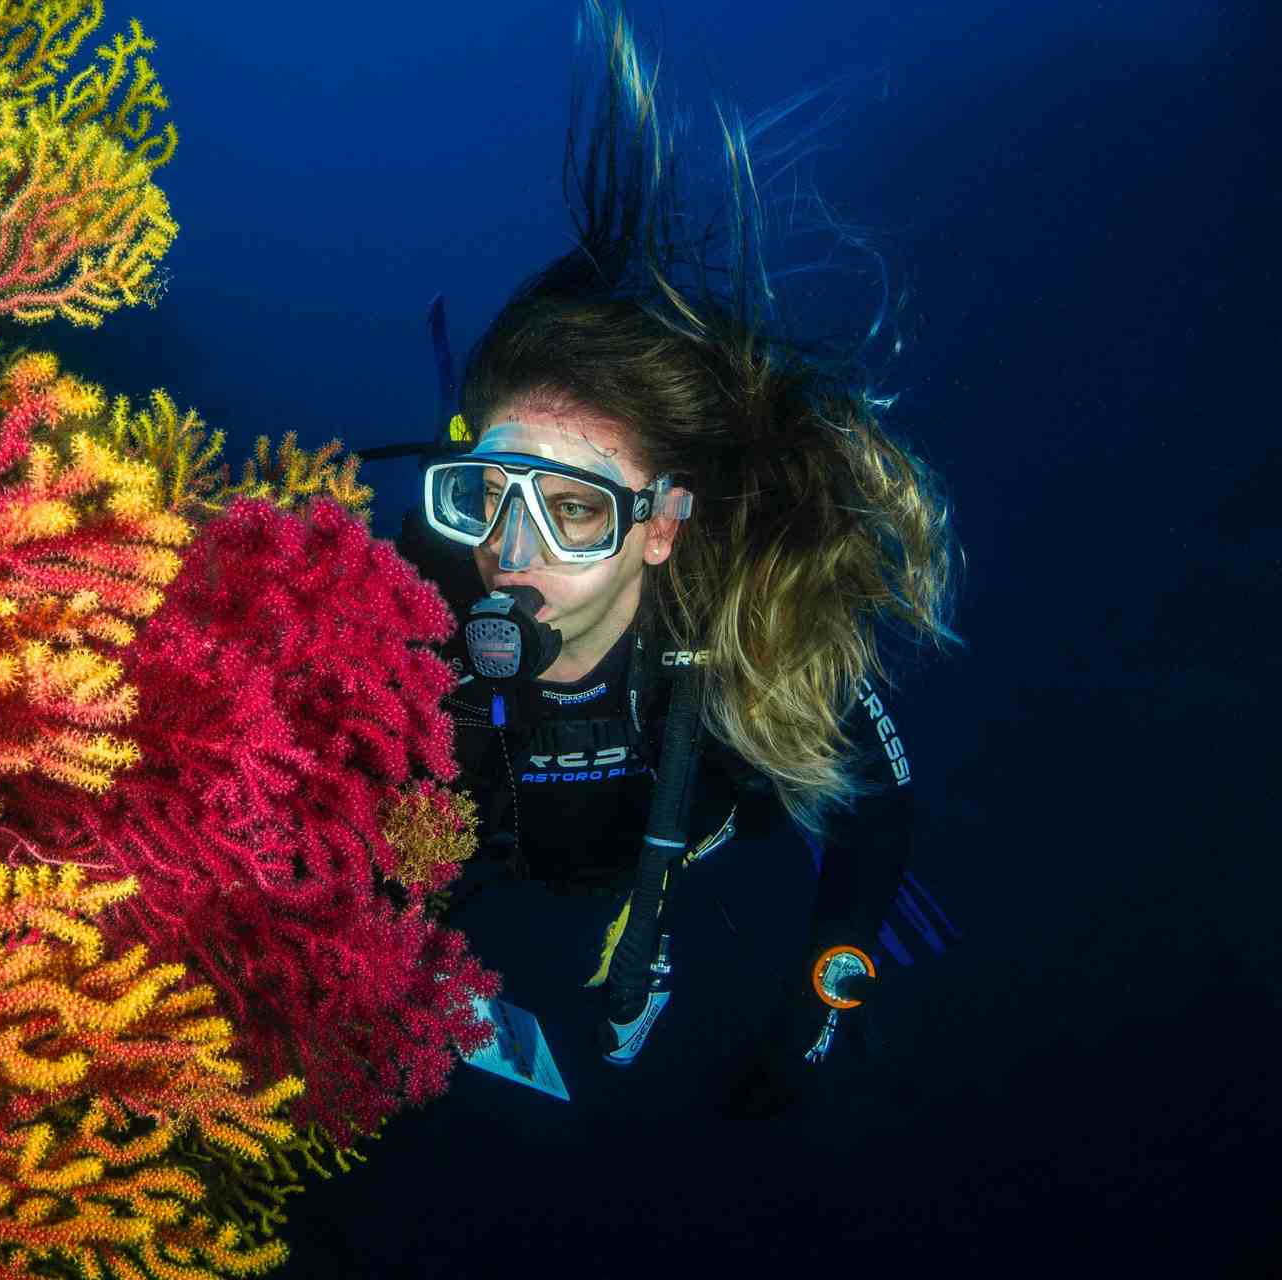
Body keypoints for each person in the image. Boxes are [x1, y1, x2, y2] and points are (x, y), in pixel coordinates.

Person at [390, 2, 966, 1117]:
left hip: (680, 846)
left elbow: (877, 817)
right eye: (486, 498)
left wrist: (820, 1010)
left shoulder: (747, 639)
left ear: (660, 525)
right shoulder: (404, 610)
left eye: (575, 510)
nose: (512, 553)